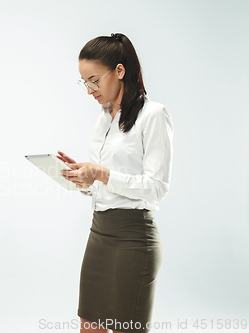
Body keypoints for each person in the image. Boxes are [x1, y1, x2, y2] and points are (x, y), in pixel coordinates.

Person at [58, 33, 173, 333]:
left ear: (120, 71)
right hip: (99, 234)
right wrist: (83, 179)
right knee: (89, 326)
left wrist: (101, 173)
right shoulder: (104, 118)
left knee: (126, 328)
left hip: (134, 239)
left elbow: (157, 187)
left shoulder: (154, 115)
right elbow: (99, 188)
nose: (89, 90)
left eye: (94, 80)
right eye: (84, 82)